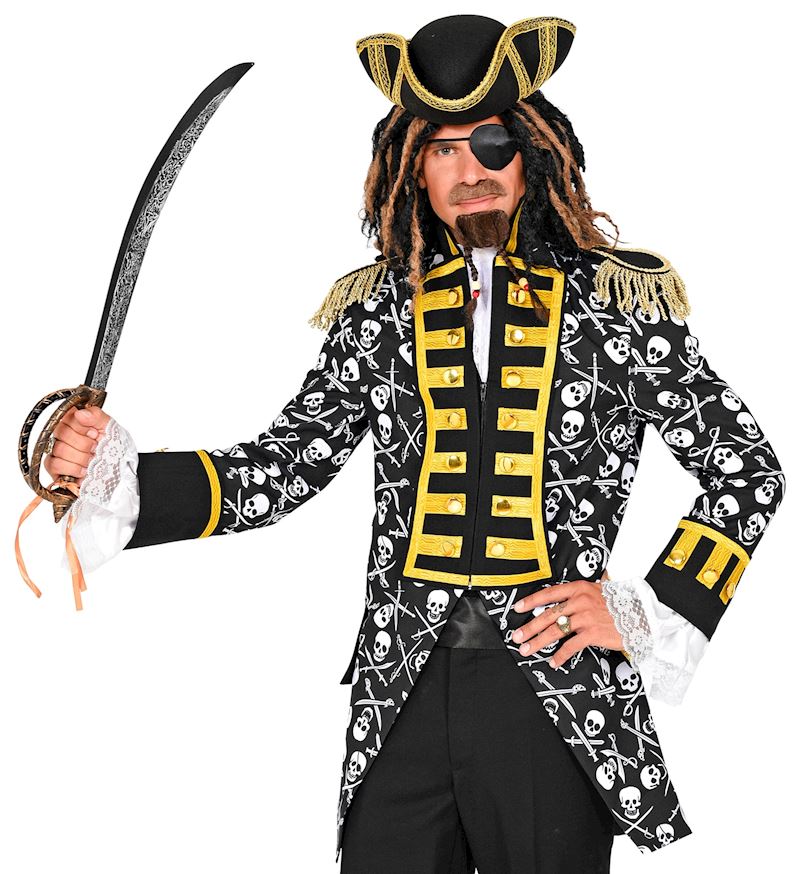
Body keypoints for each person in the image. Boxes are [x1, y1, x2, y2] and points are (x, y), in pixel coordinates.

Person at [37, 14, 786, 873]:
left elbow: (747, 471)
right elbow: (283, 467)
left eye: (492, 143)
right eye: (441, 150)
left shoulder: (619, 307)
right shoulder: (378, 311)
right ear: (410, 169)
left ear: (533, 152)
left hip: (555, 700)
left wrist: (640, 608)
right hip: (401, 693)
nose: (470, 173)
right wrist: (113, 473)